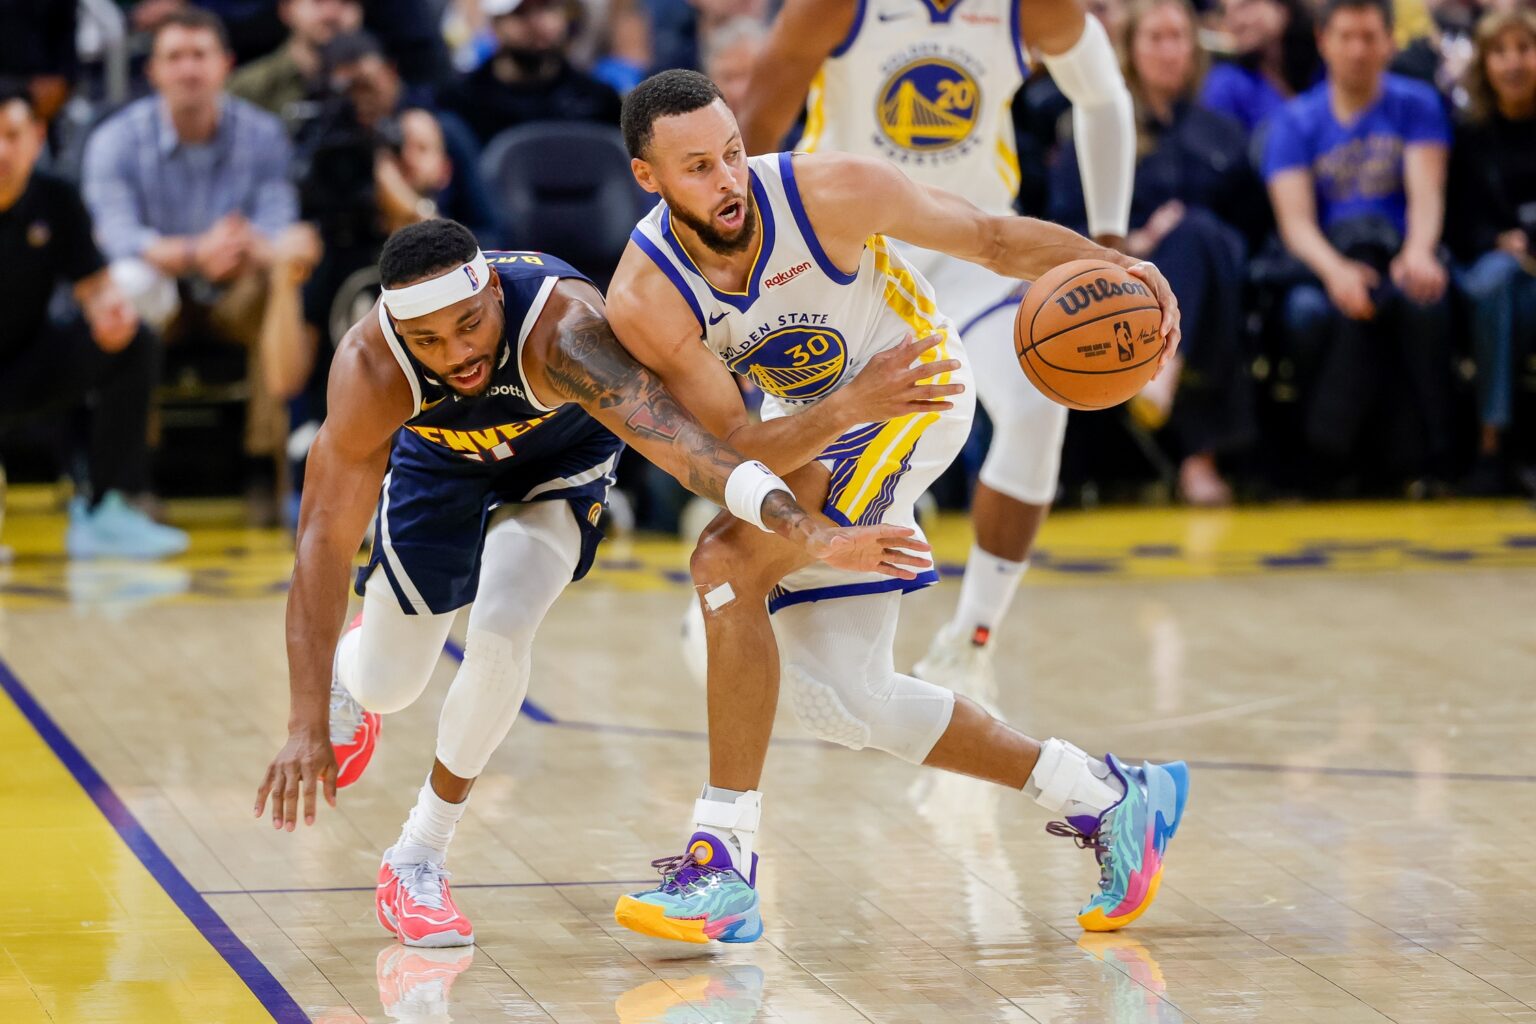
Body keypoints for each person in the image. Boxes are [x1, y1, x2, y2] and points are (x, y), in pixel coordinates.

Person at [603, 70, 1188, 944]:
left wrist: (1119, 270)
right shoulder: (646, 296)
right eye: (697, 168)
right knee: (850, 699)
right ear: (649, 178)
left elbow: (989, 238)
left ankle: (722, 865)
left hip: (918, 388)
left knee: (723, 567)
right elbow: (730, 449)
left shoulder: (829, 191)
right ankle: (1110, 797)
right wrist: (842, 412)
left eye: (732, 153)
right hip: (825, 420)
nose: (728, 181)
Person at [252, 217, 926, 947]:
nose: (458, 353)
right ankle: (360, 671)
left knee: (503, 634)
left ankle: (417, 854)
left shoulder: (568, 333)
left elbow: (691, 456)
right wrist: (302, 721)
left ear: (495, 300)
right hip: (439, 467)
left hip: (557, 465)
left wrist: (812, 531)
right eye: (430, 342)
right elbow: (321, 543)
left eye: (470, 326)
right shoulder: (372, 367)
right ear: (397, 331)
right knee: (388, 685)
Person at [734, 0, 1136, 692]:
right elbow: (756, 140)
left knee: (1040, 407)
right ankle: (744, 598)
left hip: (976, 253)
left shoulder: (1028, 8)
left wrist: (1110, 241)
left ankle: (973, 636)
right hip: (851, 264)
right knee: (791, 465)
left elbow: (1104, 95)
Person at [80, 8, 322, 523]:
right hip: (161, 289)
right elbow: (115, 237)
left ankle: (265, 468)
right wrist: (195, 252)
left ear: (225, 65)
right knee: (127, 282)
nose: (188, 69)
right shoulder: (115, 139)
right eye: (175, 57)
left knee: (284, 275)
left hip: (236, 285)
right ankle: (132, 475)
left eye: (199, 56)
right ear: (154, 72)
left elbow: (280, 229)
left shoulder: (263, 135)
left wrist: (237, 249)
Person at [1052, 0, 1262, 505]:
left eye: (1179, 38)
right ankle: (1197, 461)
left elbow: (1254, 226)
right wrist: (1138, 245)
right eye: (1156, 38)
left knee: (1201, 235)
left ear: (1195, 48)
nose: (1170, 51)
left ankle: (1161, 374)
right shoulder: (1094, 127)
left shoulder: (1222, 132)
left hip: (1217, 283)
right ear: (1129, 48)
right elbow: (1060, 224)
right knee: (1187, 247)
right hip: (1121, 283)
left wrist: (1190, 236)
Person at [1263, 0, 1453, 487]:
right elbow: (1296, 223)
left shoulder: (1418, 103)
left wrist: (1418, 251)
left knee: (1423, 298)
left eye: (1369, 37)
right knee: (1307, 313)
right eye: (1346, 37)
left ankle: (1432, 454)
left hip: (1397, 250)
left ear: (1390, 42)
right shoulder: (1294, 120)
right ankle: (1327, 455)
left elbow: (1426, 193)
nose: (1358, 50)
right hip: (1323, 260)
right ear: (1324, 42)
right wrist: (1335, 272)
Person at [0, 82, 188, 560]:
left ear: (36, 137)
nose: (2, 150)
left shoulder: (56, 199)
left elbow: (95, 285)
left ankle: (107, 507)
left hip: (24, 368)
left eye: (11, 134)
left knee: (133, 341)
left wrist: (111, 313)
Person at [1449, 8, 1536, 494]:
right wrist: (1499, 241)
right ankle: (1492, 439)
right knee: (1497, 281)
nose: (1514, 63)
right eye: (1500, 53)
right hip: (1488, 273)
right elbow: (1458, 225)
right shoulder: (1468, 135)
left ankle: (1496, 441)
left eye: (1524, 49)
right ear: (1484, 65)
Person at [438, 0, 623, 146]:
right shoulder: (461, 103)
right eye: (520, 12)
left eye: (547, 8)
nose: (537, 23)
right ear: (495, 24)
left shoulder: (598, 101)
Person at [227, 0, 363, 125]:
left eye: (344, 2)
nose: (332, 14)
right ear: (286, 10)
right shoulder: (250, 87)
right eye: (318, 2)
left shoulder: (366, 83)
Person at [1202, 0, 1321, 137]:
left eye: (1246, 6)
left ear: (1284, 8)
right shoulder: (1226, 84)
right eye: (1225, 12)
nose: (1235, 22)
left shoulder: (1325, 67)